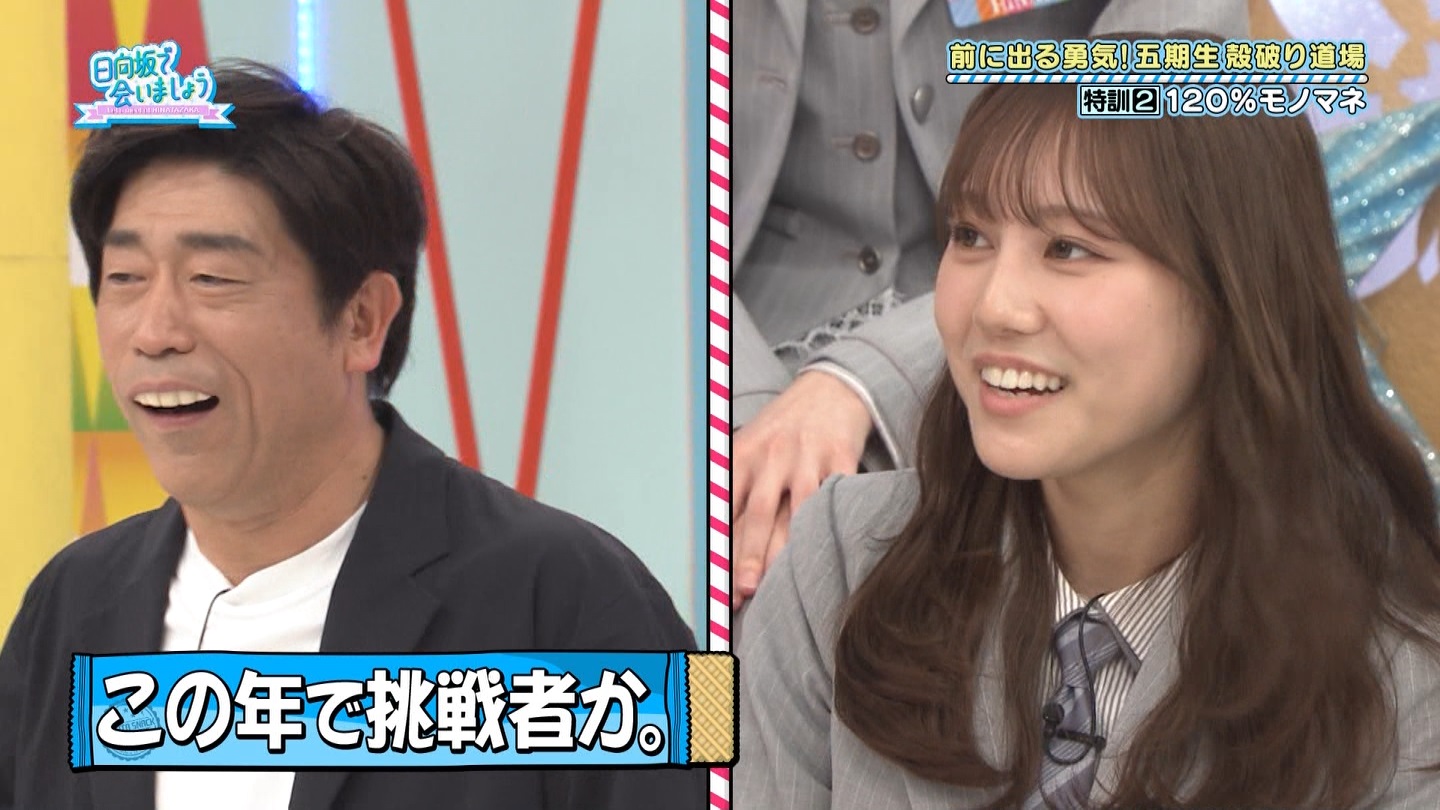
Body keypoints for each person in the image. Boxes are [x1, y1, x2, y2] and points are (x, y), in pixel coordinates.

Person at [0, 62, 706, 810]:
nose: (155, 332)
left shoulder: (579, 598)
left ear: (362, 319)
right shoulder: (69, 604)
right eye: (125, 278)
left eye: (212, 278)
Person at [736, 73, 1440, 808]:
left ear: (1233, 290)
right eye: (970, 236)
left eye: (1069, 249)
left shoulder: (1401, 681)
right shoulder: (838, 563)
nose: (995, 307)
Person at [730, 0, 1250, 608]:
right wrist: (745, 419)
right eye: (969, 232)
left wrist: (860, 381)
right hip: (729, 348)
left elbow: (1186, 156)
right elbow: (642, 180)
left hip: (1017, 356)